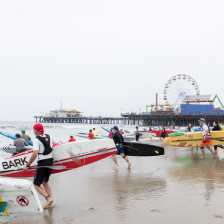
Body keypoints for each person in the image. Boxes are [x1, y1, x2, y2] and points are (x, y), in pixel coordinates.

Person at [23, 123, 57, 209]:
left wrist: (27, 165)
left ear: (37, 131)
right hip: (50, 162)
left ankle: (48, 199)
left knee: (36, 185)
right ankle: (51, 203)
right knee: (45, 182)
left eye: (34, 129)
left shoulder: (36, 139)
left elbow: (35, 154)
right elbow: (57, 144)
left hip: (42, 163)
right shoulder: (49, 136)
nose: (33, 131)